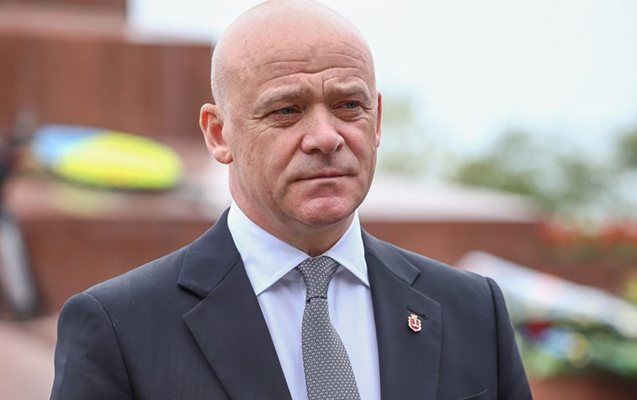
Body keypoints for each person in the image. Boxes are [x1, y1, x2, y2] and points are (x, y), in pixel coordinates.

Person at [50, 1, 532, 399]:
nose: (326, 137)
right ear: (219, 134)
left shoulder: (473, 310)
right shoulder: (120, 329)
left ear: (377, 120)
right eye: (286, 110)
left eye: (349, 105)